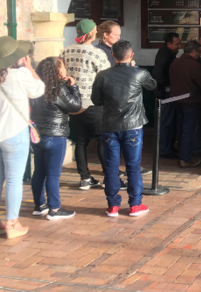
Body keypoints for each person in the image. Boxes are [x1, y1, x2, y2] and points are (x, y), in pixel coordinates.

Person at [92, 40, 157, 217]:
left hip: (110, 126)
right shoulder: (139, 73)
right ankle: (135, 204)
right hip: (133, 126)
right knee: (133, 167)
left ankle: (113, 206)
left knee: (111, 167)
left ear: (112, 55)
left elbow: (96, 100)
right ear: (131, 55)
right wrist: (135, 68)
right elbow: (152, 85)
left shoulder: (103, 76)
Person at [0, 36, 45, 238]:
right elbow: (39, 90)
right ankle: (12, 222)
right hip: (14, 132)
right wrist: (30, 69)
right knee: (14, 180)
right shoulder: (18, 75)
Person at [60, 19, 111, 190]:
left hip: (73, 104)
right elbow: (105, 78)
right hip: (92, 103)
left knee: (80, 141)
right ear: (91, 33)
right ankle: (109, 177)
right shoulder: (96, 53)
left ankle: (84, 178)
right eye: (95, 29)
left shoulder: (65, 51)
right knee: (103, 139)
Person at [30, 57, 82, 220]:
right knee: (53, 174)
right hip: (56, 135)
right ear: (58, 70)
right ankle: (55, 208)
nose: (65, 70)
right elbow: (75, 106)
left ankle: (40, 206)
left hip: (38, 135)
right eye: (63, 67)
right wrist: (73, 87)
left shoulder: (36, 88)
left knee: (39, 171)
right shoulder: (57, 89)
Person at [169, 41, 201, 168]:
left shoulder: (175, 63)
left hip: (177, 101)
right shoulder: (194, 66)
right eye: (198, 52)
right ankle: (185, 159)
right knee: (188, 131)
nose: (199, 54)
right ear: (193, 51)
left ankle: (182, 156)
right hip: (191, 102)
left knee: (181, 129)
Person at [152, 32, 180, 159]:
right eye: (177, 44)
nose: (179, 46)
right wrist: (169, 83)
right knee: (166, 121)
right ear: (168, 44)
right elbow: (158, 74)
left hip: (167, 90)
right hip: (165, 92)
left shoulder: (167, 54)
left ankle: (167, 147)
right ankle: (164, 149)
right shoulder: (165, 56)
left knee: (168, 121)